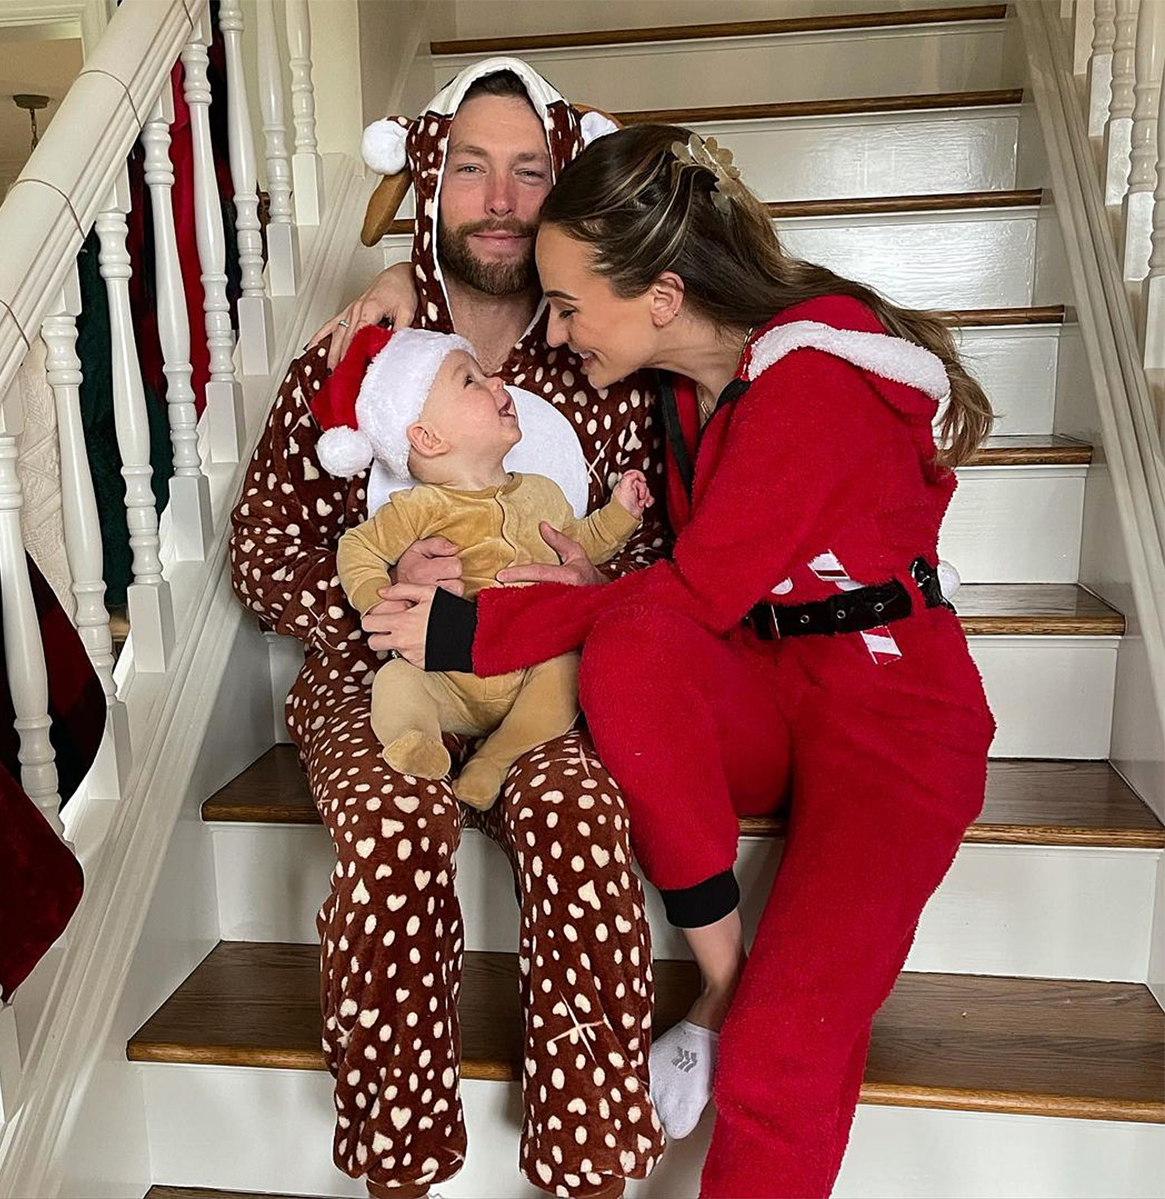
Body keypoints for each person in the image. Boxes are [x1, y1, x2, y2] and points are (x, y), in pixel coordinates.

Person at [362, 124, 997, 1199]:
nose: (556, 331)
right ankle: (722, 975)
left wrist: (473, 634)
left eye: (570, 307)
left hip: (894, 715)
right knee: (631, 644)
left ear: (662, 295)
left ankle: (738, 1011)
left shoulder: (812, 386)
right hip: (767, 683)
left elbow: (698, 587)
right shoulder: (684, 389)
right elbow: (505, 259)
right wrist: (397, 282)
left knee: (782, 1045)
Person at [229, 59, 668, 1199]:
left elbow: (666, 551)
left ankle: (589, 1155)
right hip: (384, 679)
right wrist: (376, 605)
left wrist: (591, 578)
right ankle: (400, 1157)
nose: (501, 199)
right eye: (472, 168)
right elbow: (264, 547)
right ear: (431, 182)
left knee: (580, 814)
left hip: (544, 677)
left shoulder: (605, 354)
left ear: (564, 186)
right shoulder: (357, 354)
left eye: (529, 171)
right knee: (393, 822)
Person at [316, 323, 650, 808]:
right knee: (396, 681)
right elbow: (358, 548)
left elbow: (578, 550)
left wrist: (620, 514)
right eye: (470, 380)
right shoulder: (420, 507)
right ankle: (416, 739)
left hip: (529, 663)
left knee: (567, 672)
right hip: (446, 677)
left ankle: (495, 760)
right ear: (428, 438)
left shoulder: (542, 493)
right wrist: (382, 601)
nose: (497, 382)